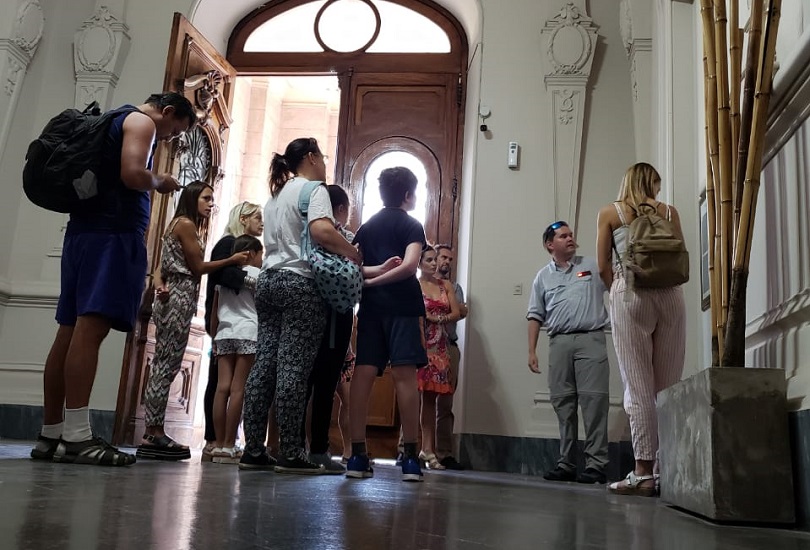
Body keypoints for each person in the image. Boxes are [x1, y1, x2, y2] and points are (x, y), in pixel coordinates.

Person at [32, 92, 195, 466]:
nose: (168, 138)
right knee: (90, 330)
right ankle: (77, 437)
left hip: (81, 234)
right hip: (112, 236)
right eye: (173, 131)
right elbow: (132, 174)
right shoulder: (142, 122)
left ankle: (51, 434)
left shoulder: (111, 119)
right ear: (168, 111)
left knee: (69, 330)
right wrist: (159, 180)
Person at [239, 137, 362, 474]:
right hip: (299, 283)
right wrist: (351, 252)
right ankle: (291, 452)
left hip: (268, 280)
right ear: (311, 157)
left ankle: (253, 449)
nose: (324, 163)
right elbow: (322, 231)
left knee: (264, 365)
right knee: (294, 368)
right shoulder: (313, 190)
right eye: (322, 156)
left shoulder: (276, 195)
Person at [137, 181, 250, 460]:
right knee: (166, 364)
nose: (211, 204)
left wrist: (160, 283)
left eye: (212, 199)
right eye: (206, 198)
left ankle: (154, 429)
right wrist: (231, 260)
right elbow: (198, 268)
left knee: (166, 363)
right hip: (179, 297)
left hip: (177, 294)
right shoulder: (186, 225)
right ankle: (153, 432)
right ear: (192, 198)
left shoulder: (179, 224)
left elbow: (161, 268)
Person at [596, 162, 686, 496]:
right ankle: (666, 470)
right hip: (671, 296)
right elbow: (680, 257)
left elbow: (603, 266)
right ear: (653, 184)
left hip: (631, 291)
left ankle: (643, 472)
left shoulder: (611, 212)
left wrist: (618, 291)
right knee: (668, 388)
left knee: (637, 386)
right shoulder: (670, 212)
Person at [346, 166, 428, 483]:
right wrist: (376, 281)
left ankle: (357, 455)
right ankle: (410, 459)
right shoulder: (412, 225)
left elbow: (355, 267)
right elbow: (409, 267)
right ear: (408, 195)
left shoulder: (366, 228)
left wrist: (369, 283)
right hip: (404, 307)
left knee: (363, 375)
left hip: (371, 310)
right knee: (405, 378)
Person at [527, 220, 610, 484]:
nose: (570, 238)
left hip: (591, 339)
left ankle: (596, 464)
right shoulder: (542, 277)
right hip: (559, 343)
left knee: (594, 402)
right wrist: (531, 351)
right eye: (563, 236)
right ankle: (566, 463)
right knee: (563, 403)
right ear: (549, 245)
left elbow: (616, 287)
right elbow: (535, 315)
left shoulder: (593, 266)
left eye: (571, 234)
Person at [299, 185, 357, 474]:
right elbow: (357, 272)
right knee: (325, 385)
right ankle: (319, 449)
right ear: (342, 209)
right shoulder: (344, 238)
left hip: (306, 310)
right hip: (336, 316)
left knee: (302, 381)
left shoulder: (305, 234)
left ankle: (293, 446)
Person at [201, 201, 263, 462]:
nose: (262, 222)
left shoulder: (226, 273)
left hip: (224, 333)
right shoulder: (255, 273)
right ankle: (228, 443)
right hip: (247, 332)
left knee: (221, 387)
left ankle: (216, 444)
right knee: (239, 389)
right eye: (257, 217)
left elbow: (216, 305)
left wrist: (215, 335)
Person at [417, 246, 461, 470]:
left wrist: (437, 319)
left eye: (435, 259)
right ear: (419, 262)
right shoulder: (415, 285)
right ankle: (420, 448)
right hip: (422, 345)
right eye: (429, 260)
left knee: (434, 399)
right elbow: (415, 315)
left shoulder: (445, 285)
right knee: (420, 397)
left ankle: (428, 449)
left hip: (441, 347)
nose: (434, 263)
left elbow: (457, 312)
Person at [434, 244, 467, 470]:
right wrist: (451, 310)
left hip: (449, 346)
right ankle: (407, 450)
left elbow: (462, 311)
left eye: (450, 259)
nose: (447, 262)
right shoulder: (422, 284)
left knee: (445, 404)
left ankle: (444, 453)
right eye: (443, 257)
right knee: (418, 400)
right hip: (427, 347)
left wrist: (441, 311)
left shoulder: (455, 288)